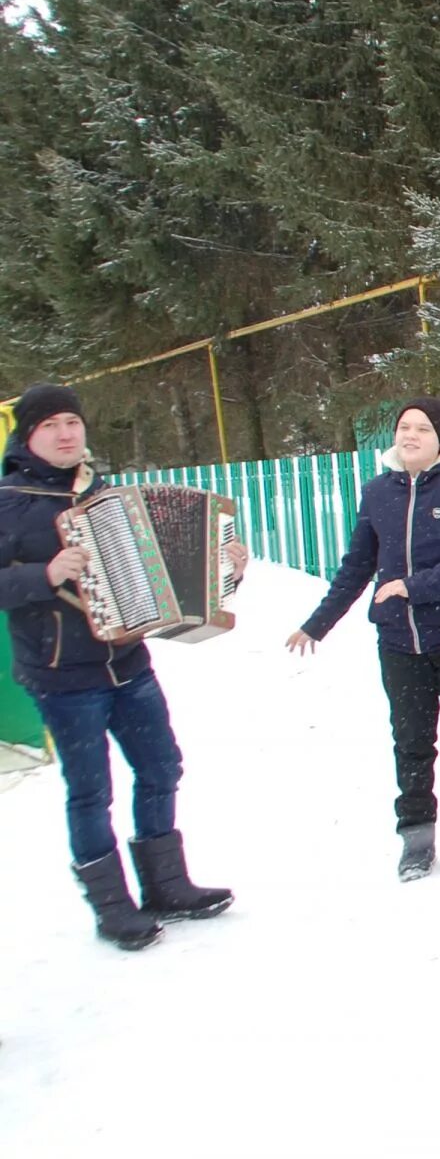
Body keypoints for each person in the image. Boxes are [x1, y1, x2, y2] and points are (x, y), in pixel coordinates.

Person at [0, 384, 241, 949]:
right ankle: (112, 906)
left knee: (161, 768)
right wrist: (46, 574)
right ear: (28, 435)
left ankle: (168, 885)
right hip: (61, 672)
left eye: (72, 422)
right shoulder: (8, 499)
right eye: (50, 425)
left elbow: (159, 579)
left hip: (128, 661)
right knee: (91, 790)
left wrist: (223, 569)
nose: (65, 433)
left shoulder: (105, 495)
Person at [288, 397, 440, 880]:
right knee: (412, 742)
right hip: (398, 644)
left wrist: (413, 587)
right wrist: (318, 623)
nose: (409, 435)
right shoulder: (377, 493)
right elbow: (357, 566)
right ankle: (417, 837)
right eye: (403, 427)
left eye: (421, 428)